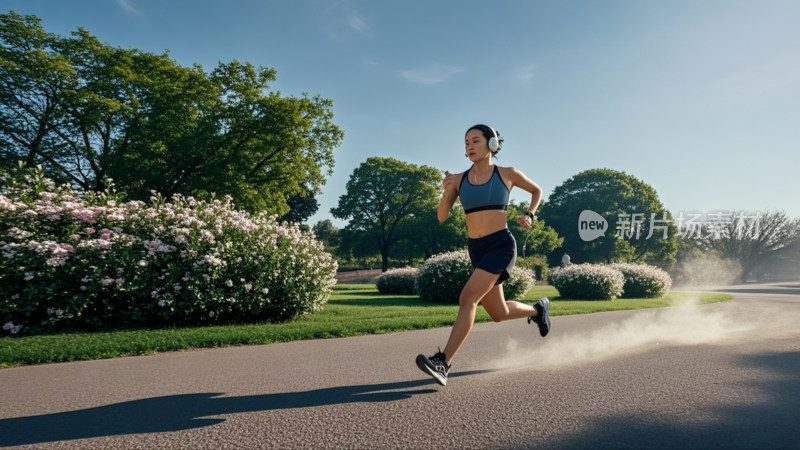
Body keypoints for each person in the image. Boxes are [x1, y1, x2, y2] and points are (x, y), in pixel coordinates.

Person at [415, 124, 551, 386]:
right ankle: (537, 310)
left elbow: (537, 191)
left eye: (476, 140)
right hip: (476, 249)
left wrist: (530, 214)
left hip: (500, 245)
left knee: (467, 298)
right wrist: (446, 193)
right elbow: (442, 217)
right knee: (498, 313)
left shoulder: (507, 173)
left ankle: (444, 362)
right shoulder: (458, 180)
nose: (469, 146)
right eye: (466, 142)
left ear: (492, 144)